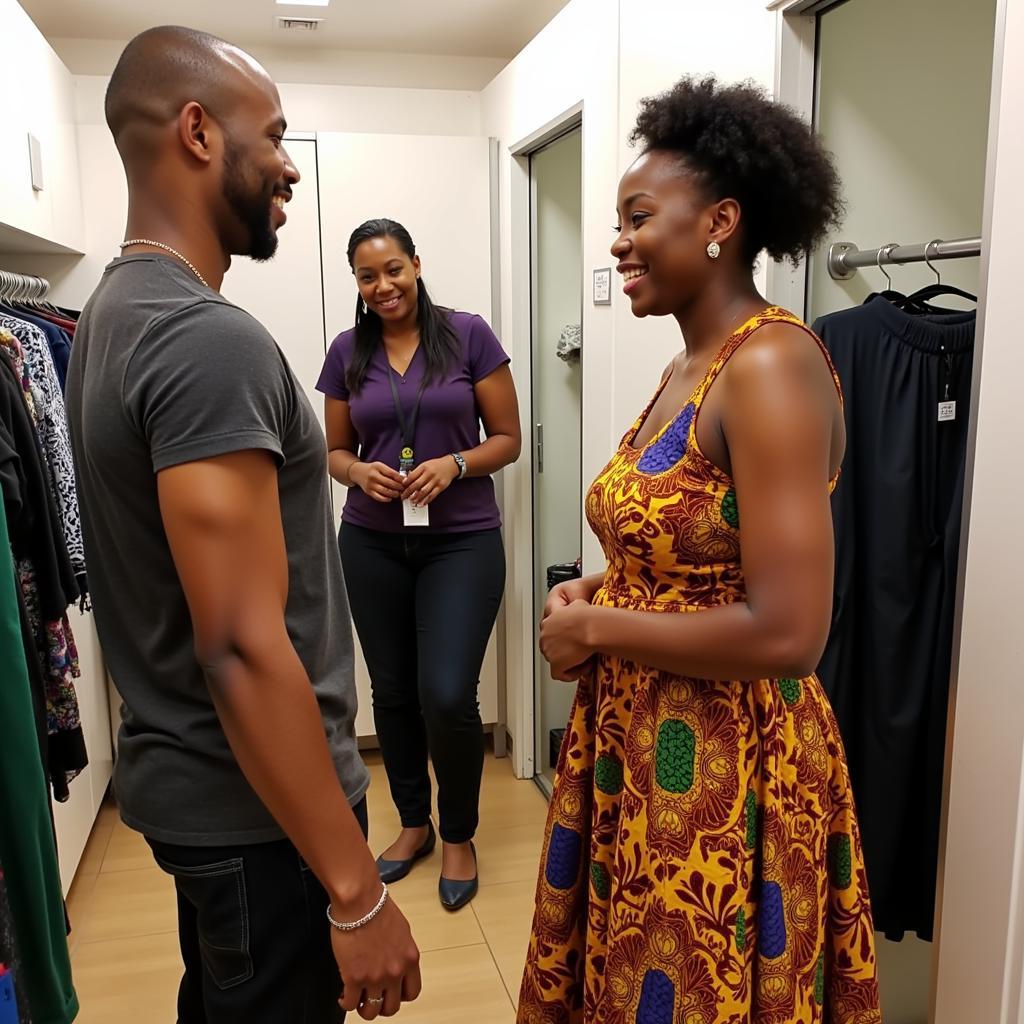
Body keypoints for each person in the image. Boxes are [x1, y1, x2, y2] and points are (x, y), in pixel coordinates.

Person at [65, 27, 419, 1023]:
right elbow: (240, 643)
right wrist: (355, 892)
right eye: (273, 136)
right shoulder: (200, 339)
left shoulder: (113, 314)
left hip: (208, 797)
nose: (287, 170)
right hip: (258, 814)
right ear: (196, 131)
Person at [518, 76, 881, 1023]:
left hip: (731, 765)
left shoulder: (768, 363)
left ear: (721, 220)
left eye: (640, 217)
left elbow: (790, 631)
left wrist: (597, 625)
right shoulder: (689, 365)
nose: (618, 242)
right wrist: (601, 590)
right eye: (618, 221)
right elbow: (690, 553)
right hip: (647, 745)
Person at [317, 218, 521, 911]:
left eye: (394, 269)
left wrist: (455, 463)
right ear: (358, 283)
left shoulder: (469, 335)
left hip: (462, 540)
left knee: (445, 693)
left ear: (416, 264)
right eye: (368, 276)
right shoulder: (347, 352)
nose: (383, 286)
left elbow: (508, 439)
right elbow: (333, 451)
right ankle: (413, 826)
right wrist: (357, 474)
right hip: (372, 541)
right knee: (394, 691)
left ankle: (458, 833)